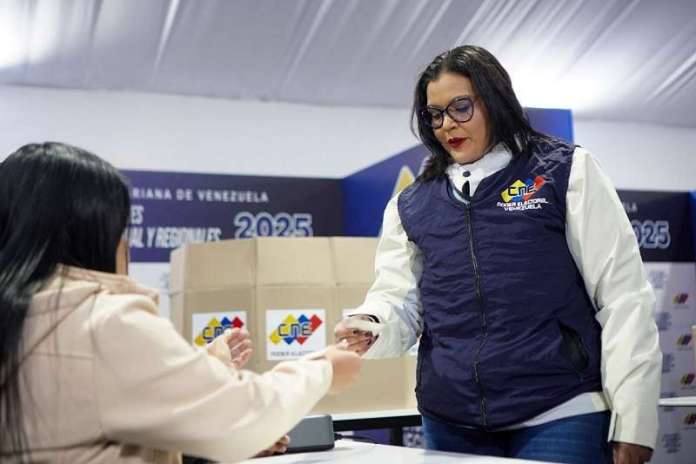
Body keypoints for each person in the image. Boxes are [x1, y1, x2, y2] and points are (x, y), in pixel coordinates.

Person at [335, 45, 661, 464]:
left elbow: (623, 296)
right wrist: (372, 325)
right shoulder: (411, 203)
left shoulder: (566, 171)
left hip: (561, 409)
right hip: (451, 418)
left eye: (461, 107)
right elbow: (399, 298)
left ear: (494, 100)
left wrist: (634, 422)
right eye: (435, 114)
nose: (447, 124)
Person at [0, 142, 362, 463]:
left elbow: (87, 418)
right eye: (120, 229)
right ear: (93, 231)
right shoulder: (103, 321)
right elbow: (242, 416)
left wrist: (206, 366)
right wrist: (322, 369)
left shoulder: (24, 314)